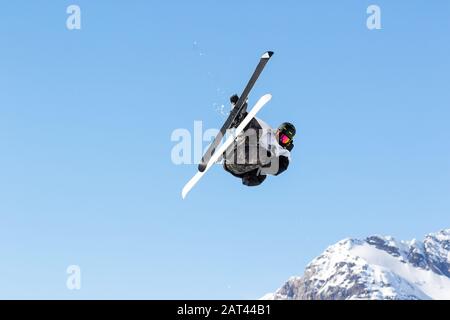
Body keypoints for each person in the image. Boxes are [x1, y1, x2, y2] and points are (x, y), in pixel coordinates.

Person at [223, 94, 296, 186]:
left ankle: (249, 174)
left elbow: (279, 168)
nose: (281, 140)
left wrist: (268, 162)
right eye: (281, 136)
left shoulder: (284, 153)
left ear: (289, 142)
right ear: (277, 131)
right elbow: (255, 123)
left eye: (285, 139)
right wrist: (243, 115)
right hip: (234, 154)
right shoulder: (267, 131)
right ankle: (238, 119)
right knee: (256, 132)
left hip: (240, 168)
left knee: (264, 162)